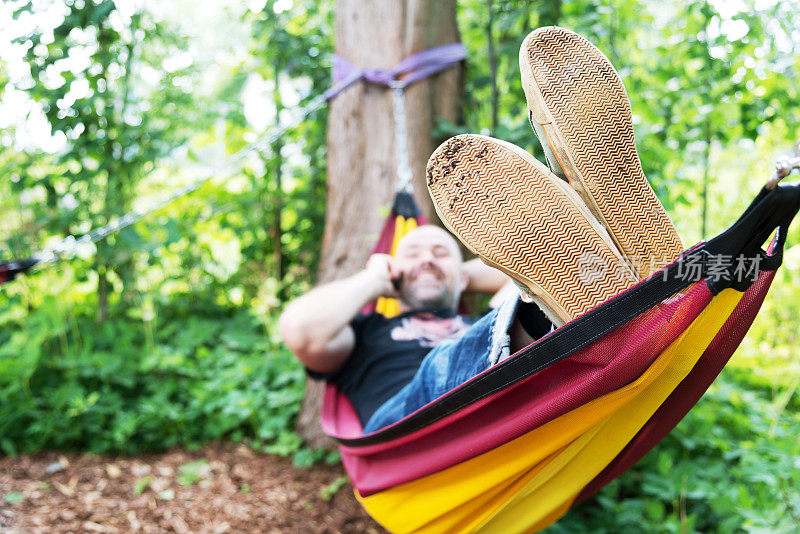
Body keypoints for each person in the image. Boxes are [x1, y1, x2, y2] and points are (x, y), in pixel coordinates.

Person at [280, 26, 683, 434]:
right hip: (410, 432)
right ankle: (614, 264)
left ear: (467, 269)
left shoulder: (471, 312)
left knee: (527, 298)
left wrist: (454, 273)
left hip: (515, 409)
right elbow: (301, 332)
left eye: (441, 252)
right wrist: (373, 278)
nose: (426, 259)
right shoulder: (368, 334)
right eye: (413, 253)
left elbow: (524, 266)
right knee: (461, 350)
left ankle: (602, 240)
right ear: (392, 271)